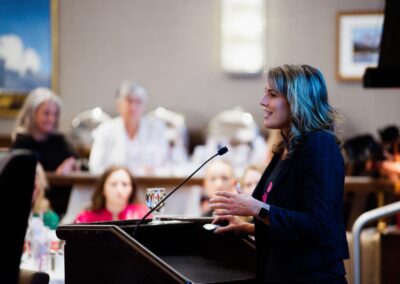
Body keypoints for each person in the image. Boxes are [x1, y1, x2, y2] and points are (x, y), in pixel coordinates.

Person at [209, 64, 349, 283]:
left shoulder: (320, 145)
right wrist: (246, 226)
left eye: (272, 94)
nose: (263, 102)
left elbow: (317, 225)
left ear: (297, 101)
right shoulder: (286, 148)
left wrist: (256, 208)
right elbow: (287, 217)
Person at [11, 87, 79, 216]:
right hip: (31, 209)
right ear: (32, 113)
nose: (51, 119)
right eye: (46, 113)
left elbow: (80, 163)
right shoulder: (21, 142)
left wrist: (72, 163)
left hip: (63, 209)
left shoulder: (60, 141)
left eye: (55, 114)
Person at [88, 81, 169, 175]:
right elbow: (94, 166)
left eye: (138, 102)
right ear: (118, 105)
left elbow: (169, 166)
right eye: (129, 101)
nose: (133, 107)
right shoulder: (105, 130)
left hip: (149, 185)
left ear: (144, 106)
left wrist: (154, 171)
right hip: (116, 186)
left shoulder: (156, 129)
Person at [75, 166, 149, 223]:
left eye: (124, 184)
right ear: (103, 189)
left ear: (132, 189)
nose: (119, 190)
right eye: (113, 184)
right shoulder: (86, 218)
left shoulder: (143, 214)